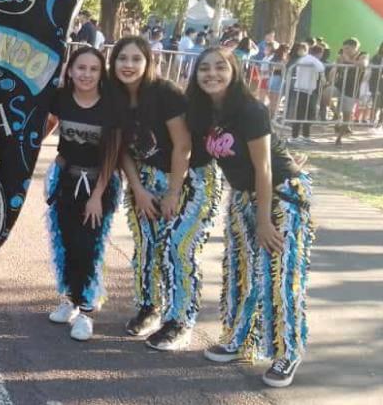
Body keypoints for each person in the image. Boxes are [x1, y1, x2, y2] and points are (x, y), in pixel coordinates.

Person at [186, 47, 313, 388]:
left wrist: (264, 220)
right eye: (204, 68)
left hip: (281, 196)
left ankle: (289, 351)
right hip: (243, 196)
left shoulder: (250, 110)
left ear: (234, 71)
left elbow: (265, 167)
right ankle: (241, 338)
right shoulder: (204, 113)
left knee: (280, 275)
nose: (211, 73)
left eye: (219, 67)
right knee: (240, 273)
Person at [110, 36, 222, 351]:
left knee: (177, 247)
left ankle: (180, 321)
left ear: (148, 62)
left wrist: (173, 191)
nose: (128, 65)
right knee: (146, 244)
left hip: (190, 178)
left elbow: (183, 145)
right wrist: (139, 190)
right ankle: (150, 307)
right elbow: (122, 151)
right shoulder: (114, 97)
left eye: (135, 59)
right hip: (145, 178)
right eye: (122, 59)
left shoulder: (165, 93)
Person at [44, 46, 122, 341]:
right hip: (65, 181)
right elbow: (50, 124)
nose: (86, 74)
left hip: (97, 185)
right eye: (80, 68)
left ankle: (86, 311)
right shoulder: (62, 98)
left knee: (89, 247)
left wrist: (96, 196)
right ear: (71, 70)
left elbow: (112, 154)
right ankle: (69, 299)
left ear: (101, 73)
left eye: (93, 69)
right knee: (64, 243)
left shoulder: (110, 105)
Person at [288, 44, 325, 144]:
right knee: (302, 114)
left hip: (307, 90)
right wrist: (323, 76)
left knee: (308, 114)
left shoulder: (306, 59)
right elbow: (320, 67)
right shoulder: (309, 59)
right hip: (303, 90)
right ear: (319, 53)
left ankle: (305, 135)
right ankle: (295, 136)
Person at [332, 38, 363, 144]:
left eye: (347, 48)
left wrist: (347, 60)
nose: (345, 50)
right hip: (340, 85)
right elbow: (335, 68)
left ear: (355, 48)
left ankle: (339, 137)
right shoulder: (341, 56)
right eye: (344, 48)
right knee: (325, 94)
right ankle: (337, 115)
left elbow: (363, 64)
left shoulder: (362, 55)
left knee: (347, 114)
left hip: (352, 88)